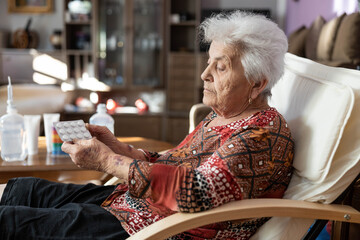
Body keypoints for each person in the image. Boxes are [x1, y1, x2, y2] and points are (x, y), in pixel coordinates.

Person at [0, 11, 293, 240]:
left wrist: (106, 160)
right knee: (28, 189)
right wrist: (119, 149)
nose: (204, 74)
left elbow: (195, 192)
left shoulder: (259, 137)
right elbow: (172, 163)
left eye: (221, 66)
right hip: (131, 203)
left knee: (11, 223)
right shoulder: (226, 115)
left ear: (257, 84)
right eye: (208, 62)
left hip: (153, 230)